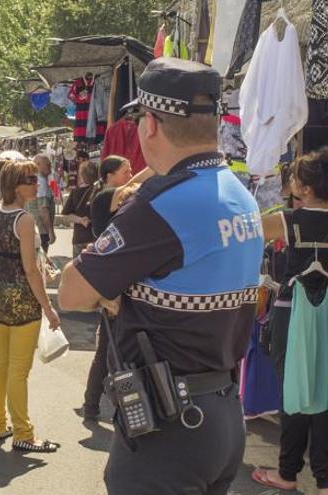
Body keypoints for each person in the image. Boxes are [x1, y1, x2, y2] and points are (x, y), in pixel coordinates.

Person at [58, 58, 263, 495]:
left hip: (168, 427)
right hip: (220, 413)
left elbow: (72, 293)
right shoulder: (238, 195)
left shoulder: (163, 206)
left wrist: (112, 286)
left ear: (149, 124)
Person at [252, 147, 328, 495]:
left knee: (293, 393)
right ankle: (326, 480)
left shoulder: (289, 220)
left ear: (308, 187)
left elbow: (247, 230)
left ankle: (287, 472)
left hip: (291, 311)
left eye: (296, 178)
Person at [0, 160, 62, 453]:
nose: (35, 183)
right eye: (30, 179)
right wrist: (48, 308)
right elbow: (31, 270)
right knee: (18, 370)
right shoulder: (24, 220)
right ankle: (23, 433)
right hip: (23, 301)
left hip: (0, 296)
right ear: (16, 185)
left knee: (0, 364)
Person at [78, 155, 147, 420]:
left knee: (109, 347)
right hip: (115, 282)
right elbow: (132, 187)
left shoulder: (107, 197)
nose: (130, 173)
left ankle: (94, 405)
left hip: (113, 279)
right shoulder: (107, 196)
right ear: (109, 175)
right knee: (113, 347)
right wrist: (154, 166)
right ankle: (109, 405)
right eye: (125, 170)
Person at [88, 156, 135, 239]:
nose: (130, 176)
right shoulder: (105, 196)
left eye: (130, 172)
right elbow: (135, 183)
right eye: (125, 172)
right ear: (110, 176)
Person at [62, 160, 99, 258]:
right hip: (96, 237)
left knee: (78, 268)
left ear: (81, 175)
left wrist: (80, 220)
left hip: (79, 237)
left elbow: (66, 215)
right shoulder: (100, 191)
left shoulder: (75, 192)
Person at [28, 154, 56, 254]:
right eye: (47, 164)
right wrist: (50, 232)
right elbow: (43, 209)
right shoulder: (41, 182)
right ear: (38, 165)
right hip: (41, 230)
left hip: (32, 228)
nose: (50, 166)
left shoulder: (33, 179)